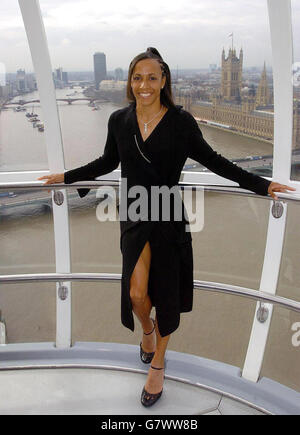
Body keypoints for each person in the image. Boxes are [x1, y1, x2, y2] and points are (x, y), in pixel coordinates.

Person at [38, 47, 295, 407]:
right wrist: (66, 177)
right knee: (137, 294)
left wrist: (260, 184)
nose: (144, 84)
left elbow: (215, 161)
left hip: (168, 214)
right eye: (137, 77)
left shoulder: (181, 122)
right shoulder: (118, 121)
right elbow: (107, 161)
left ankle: (158, 361)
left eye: (152, 77)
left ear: (163, 81)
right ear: (131, 82)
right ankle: (147, 331)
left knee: (167, 294)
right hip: (133, 211)